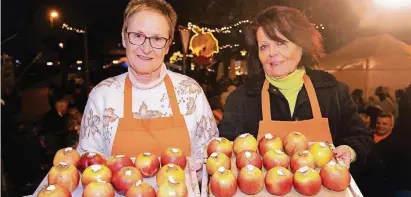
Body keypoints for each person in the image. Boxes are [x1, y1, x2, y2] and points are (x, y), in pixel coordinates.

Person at [219, 5, 374, 183]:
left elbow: (362, 137)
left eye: (280, 43)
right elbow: (227, 154)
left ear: (302, 46)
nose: (271, 53)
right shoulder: (241, 100)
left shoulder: (333, 91)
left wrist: (350, 150)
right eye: (263, 46)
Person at [77, 0, 218, 170]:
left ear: (167, 45)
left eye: (157, 39)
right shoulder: (102, 96)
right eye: (137, 36)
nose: (146, 48)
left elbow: (210, 161)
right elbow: (89, 167)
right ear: (124, 37)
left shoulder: (191, 92)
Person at [373, 113, 411, 196]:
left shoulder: (398, 144)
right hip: (370, 184)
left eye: (385, 124)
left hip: (389, 188)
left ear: (391, 126)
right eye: (378, 123)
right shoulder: (368, 137)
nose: (380, 126)